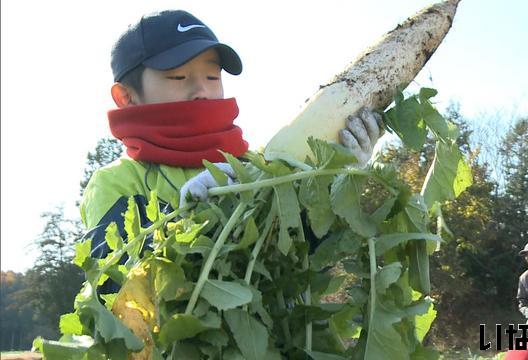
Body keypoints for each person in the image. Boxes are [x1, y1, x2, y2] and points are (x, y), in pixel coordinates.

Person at [80, 9, 384, 294]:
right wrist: (187, 224)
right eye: (178, 77)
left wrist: (337, 182)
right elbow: (112, 285)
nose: (202, 90)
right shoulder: (115, 181)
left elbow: (306, 264)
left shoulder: (257, 169)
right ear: (126, 96)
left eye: (212, 77)